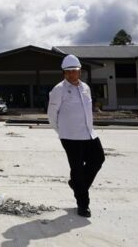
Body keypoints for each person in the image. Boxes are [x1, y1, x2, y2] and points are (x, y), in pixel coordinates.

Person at [47, 54, 105, 218]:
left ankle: (77, 185)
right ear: (64, 73)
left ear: (80, 71)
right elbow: (51, 114)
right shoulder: (59, 90)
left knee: (98, 159)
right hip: (70, 137)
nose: (71, 74)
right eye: (68, 72)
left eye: (74, 71)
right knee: (77, 169)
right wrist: (62, 132)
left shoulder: (85, 88)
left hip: (89, 134)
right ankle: (83, 204)